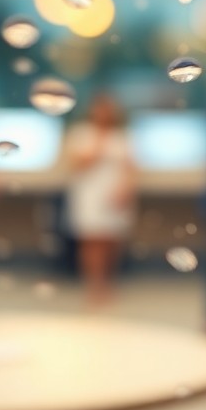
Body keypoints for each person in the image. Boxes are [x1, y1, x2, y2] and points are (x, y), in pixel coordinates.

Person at [66, 93, 137, 308]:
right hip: (90, 195)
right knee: (91, 240)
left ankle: (108, 284)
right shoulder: (81, 134)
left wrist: (126, 189)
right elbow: (76, 163)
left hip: (114, 195)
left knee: (111, 240)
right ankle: (93, 286)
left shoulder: (122, 136)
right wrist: (99, 142)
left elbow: (132, 167)